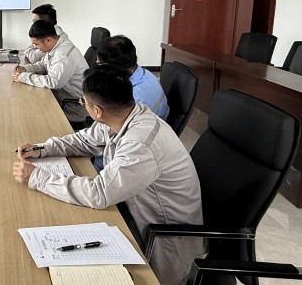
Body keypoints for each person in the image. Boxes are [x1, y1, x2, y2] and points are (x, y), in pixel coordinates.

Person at [12, 65, 204, 285]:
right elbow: (85, 140)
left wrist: (37, 178)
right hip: (133, 208)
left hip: (162, 236)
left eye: (83, 102)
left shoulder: (140, 144)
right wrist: (43, 148)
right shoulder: (124, 114)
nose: (82, 105)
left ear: (97, 110)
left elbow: (100, 194)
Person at [12, 20, 88, 128]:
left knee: (30, 115)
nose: (35, 48)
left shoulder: (63, 55)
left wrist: (23, 77)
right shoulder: (56, 46)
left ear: (48, 40)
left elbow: (53, 82)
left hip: (74, 107)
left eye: (36, 44)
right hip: (63, 99)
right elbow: (44, 65)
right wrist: (25, 69)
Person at [97, 35, 169, 120]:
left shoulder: (134, 99)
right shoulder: (144, 73)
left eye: (99, 64)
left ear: (113, 68)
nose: (97, 68)